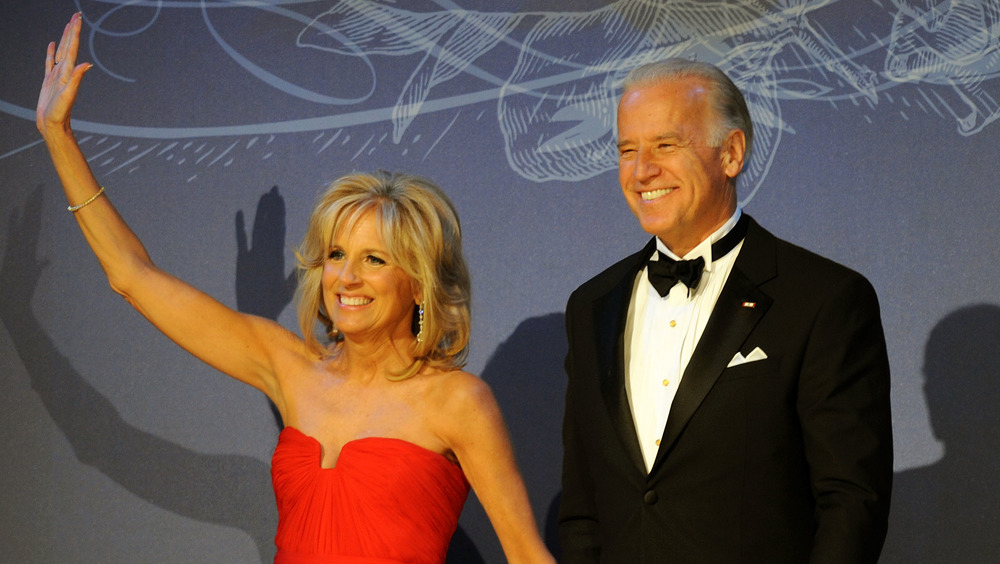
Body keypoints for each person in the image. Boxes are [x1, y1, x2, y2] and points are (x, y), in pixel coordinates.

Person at [37, 14, 555, 564]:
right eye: (336, 256)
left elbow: (526, 555)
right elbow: (131, 276)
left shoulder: (458, 402)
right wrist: (58, 136)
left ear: (420, 284)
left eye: (373, 259)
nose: (345, 277)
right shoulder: (291, 367)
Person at [558, 58, 893, 563]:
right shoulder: (592, 307)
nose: (641, 170)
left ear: (731, 153)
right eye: (628, 150)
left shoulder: (822, 299)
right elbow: (584, 504)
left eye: (665, 145)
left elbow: (851, 502)